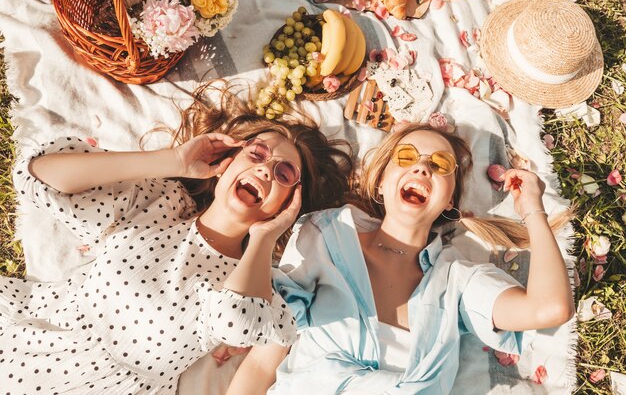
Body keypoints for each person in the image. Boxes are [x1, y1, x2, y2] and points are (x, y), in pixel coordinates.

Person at [0, 81, 352, 394]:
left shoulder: (259, 286)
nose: (264, 169)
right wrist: (172, 161)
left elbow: (237, 320)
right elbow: (38, 177)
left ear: (288, 203)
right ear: (227, 162)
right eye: (257, 154)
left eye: (284, 173)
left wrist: (264, 235)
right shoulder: (161, 204)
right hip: (34, 332)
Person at [225, 123, 575, 394]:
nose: (422, 168)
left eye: (439, 164)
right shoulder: (326, 236)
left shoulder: (457, 279)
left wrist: (532, 209)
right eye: (406, 157)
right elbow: (263, 359)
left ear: (450, 201)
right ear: (381, 182)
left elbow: (549, 308)